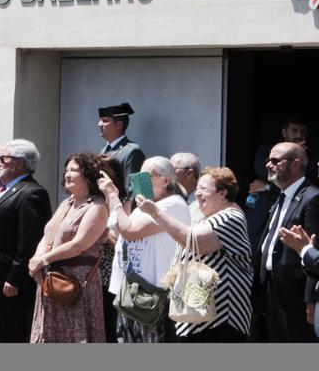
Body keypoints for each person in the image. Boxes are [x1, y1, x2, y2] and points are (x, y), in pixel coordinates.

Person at [130, 165, 254, 342]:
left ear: (223, 193)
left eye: (204, 189)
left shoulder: (230, 216)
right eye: (197, 189)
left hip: (220, 318)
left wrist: (156, 212)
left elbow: (195, 242)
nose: (197, 194)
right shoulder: (205, 218)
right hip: (196, 314)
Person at [0, 138, 53, 343]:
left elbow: (29, 242)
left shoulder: (32, 193)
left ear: (19, 163)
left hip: (6, 282)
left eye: (2, 158)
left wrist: (16, 277)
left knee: (7, 334)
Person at [102, 156, 191, 343]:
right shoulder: (146, 205)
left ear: (165, 180)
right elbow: (118, 234)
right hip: (130, 291)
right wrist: (124, 201)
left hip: (152, 295)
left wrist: (112, 196)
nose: (139, 180)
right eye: (137, 175)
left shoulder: (172, 204)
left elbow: (130, 231)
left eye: (145, 176)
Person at [25, 152, 111, 344]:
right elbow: (48, 234)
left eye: (74, 170)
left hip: (77, 282)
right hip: (52, 279)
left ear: (88, 176)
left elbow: (79, 244)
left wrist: (44, 259)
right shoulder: (67, 203)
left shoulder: (97, 207)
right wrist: (36, 260)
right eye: (67, 170)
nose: (67, 174)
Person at [250, 142, 319, 343]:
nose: (268, 165)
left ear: (296, 164)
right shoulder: (281, 196)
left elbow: (314, 249)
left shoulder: (312, 198)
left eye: (275, 161)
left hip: (296, 296)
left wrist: (310, 299)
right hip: (271, 290)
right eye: (267, 160)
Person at [97, 103, 144, 177]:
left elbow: (130, 187)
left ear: (119, 125)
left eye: (105, 120)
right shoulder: (103, 151)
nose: (99, 124)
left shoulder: (132, 151)